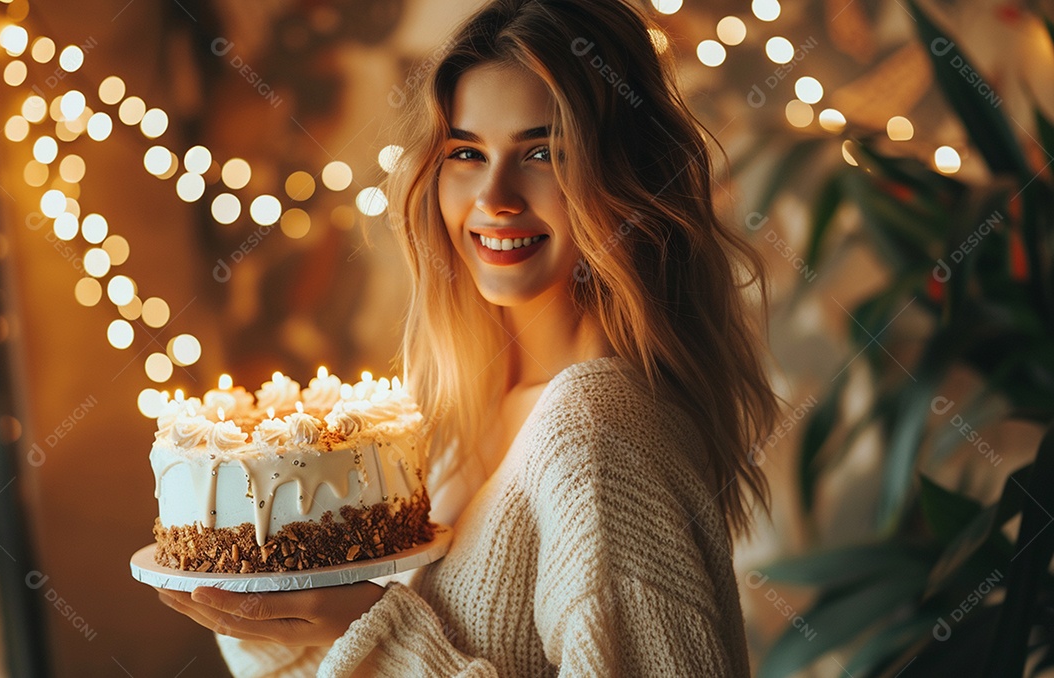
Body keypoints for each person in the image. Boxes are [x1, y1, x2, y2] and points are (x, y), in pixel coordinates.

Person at [158, 0, 780, 674]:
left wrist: (379, 634)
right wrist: (276, 619)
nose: (495, 197)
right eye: (467, 153)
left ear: (625, 176)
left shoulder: (597, 436)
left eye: (542, 152)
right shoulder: (465, 413)